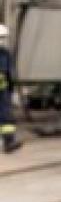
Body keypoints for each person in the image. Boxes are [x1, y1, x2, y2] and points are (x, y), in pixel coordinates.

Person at [0, 23, 22, 153]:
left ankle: (9, 142)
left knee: (6, 117)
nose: (2, 40)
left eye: (3, 37)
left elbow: (9, 74)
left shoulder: (6, 54)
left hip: (4, 92)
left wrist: (13, 92)